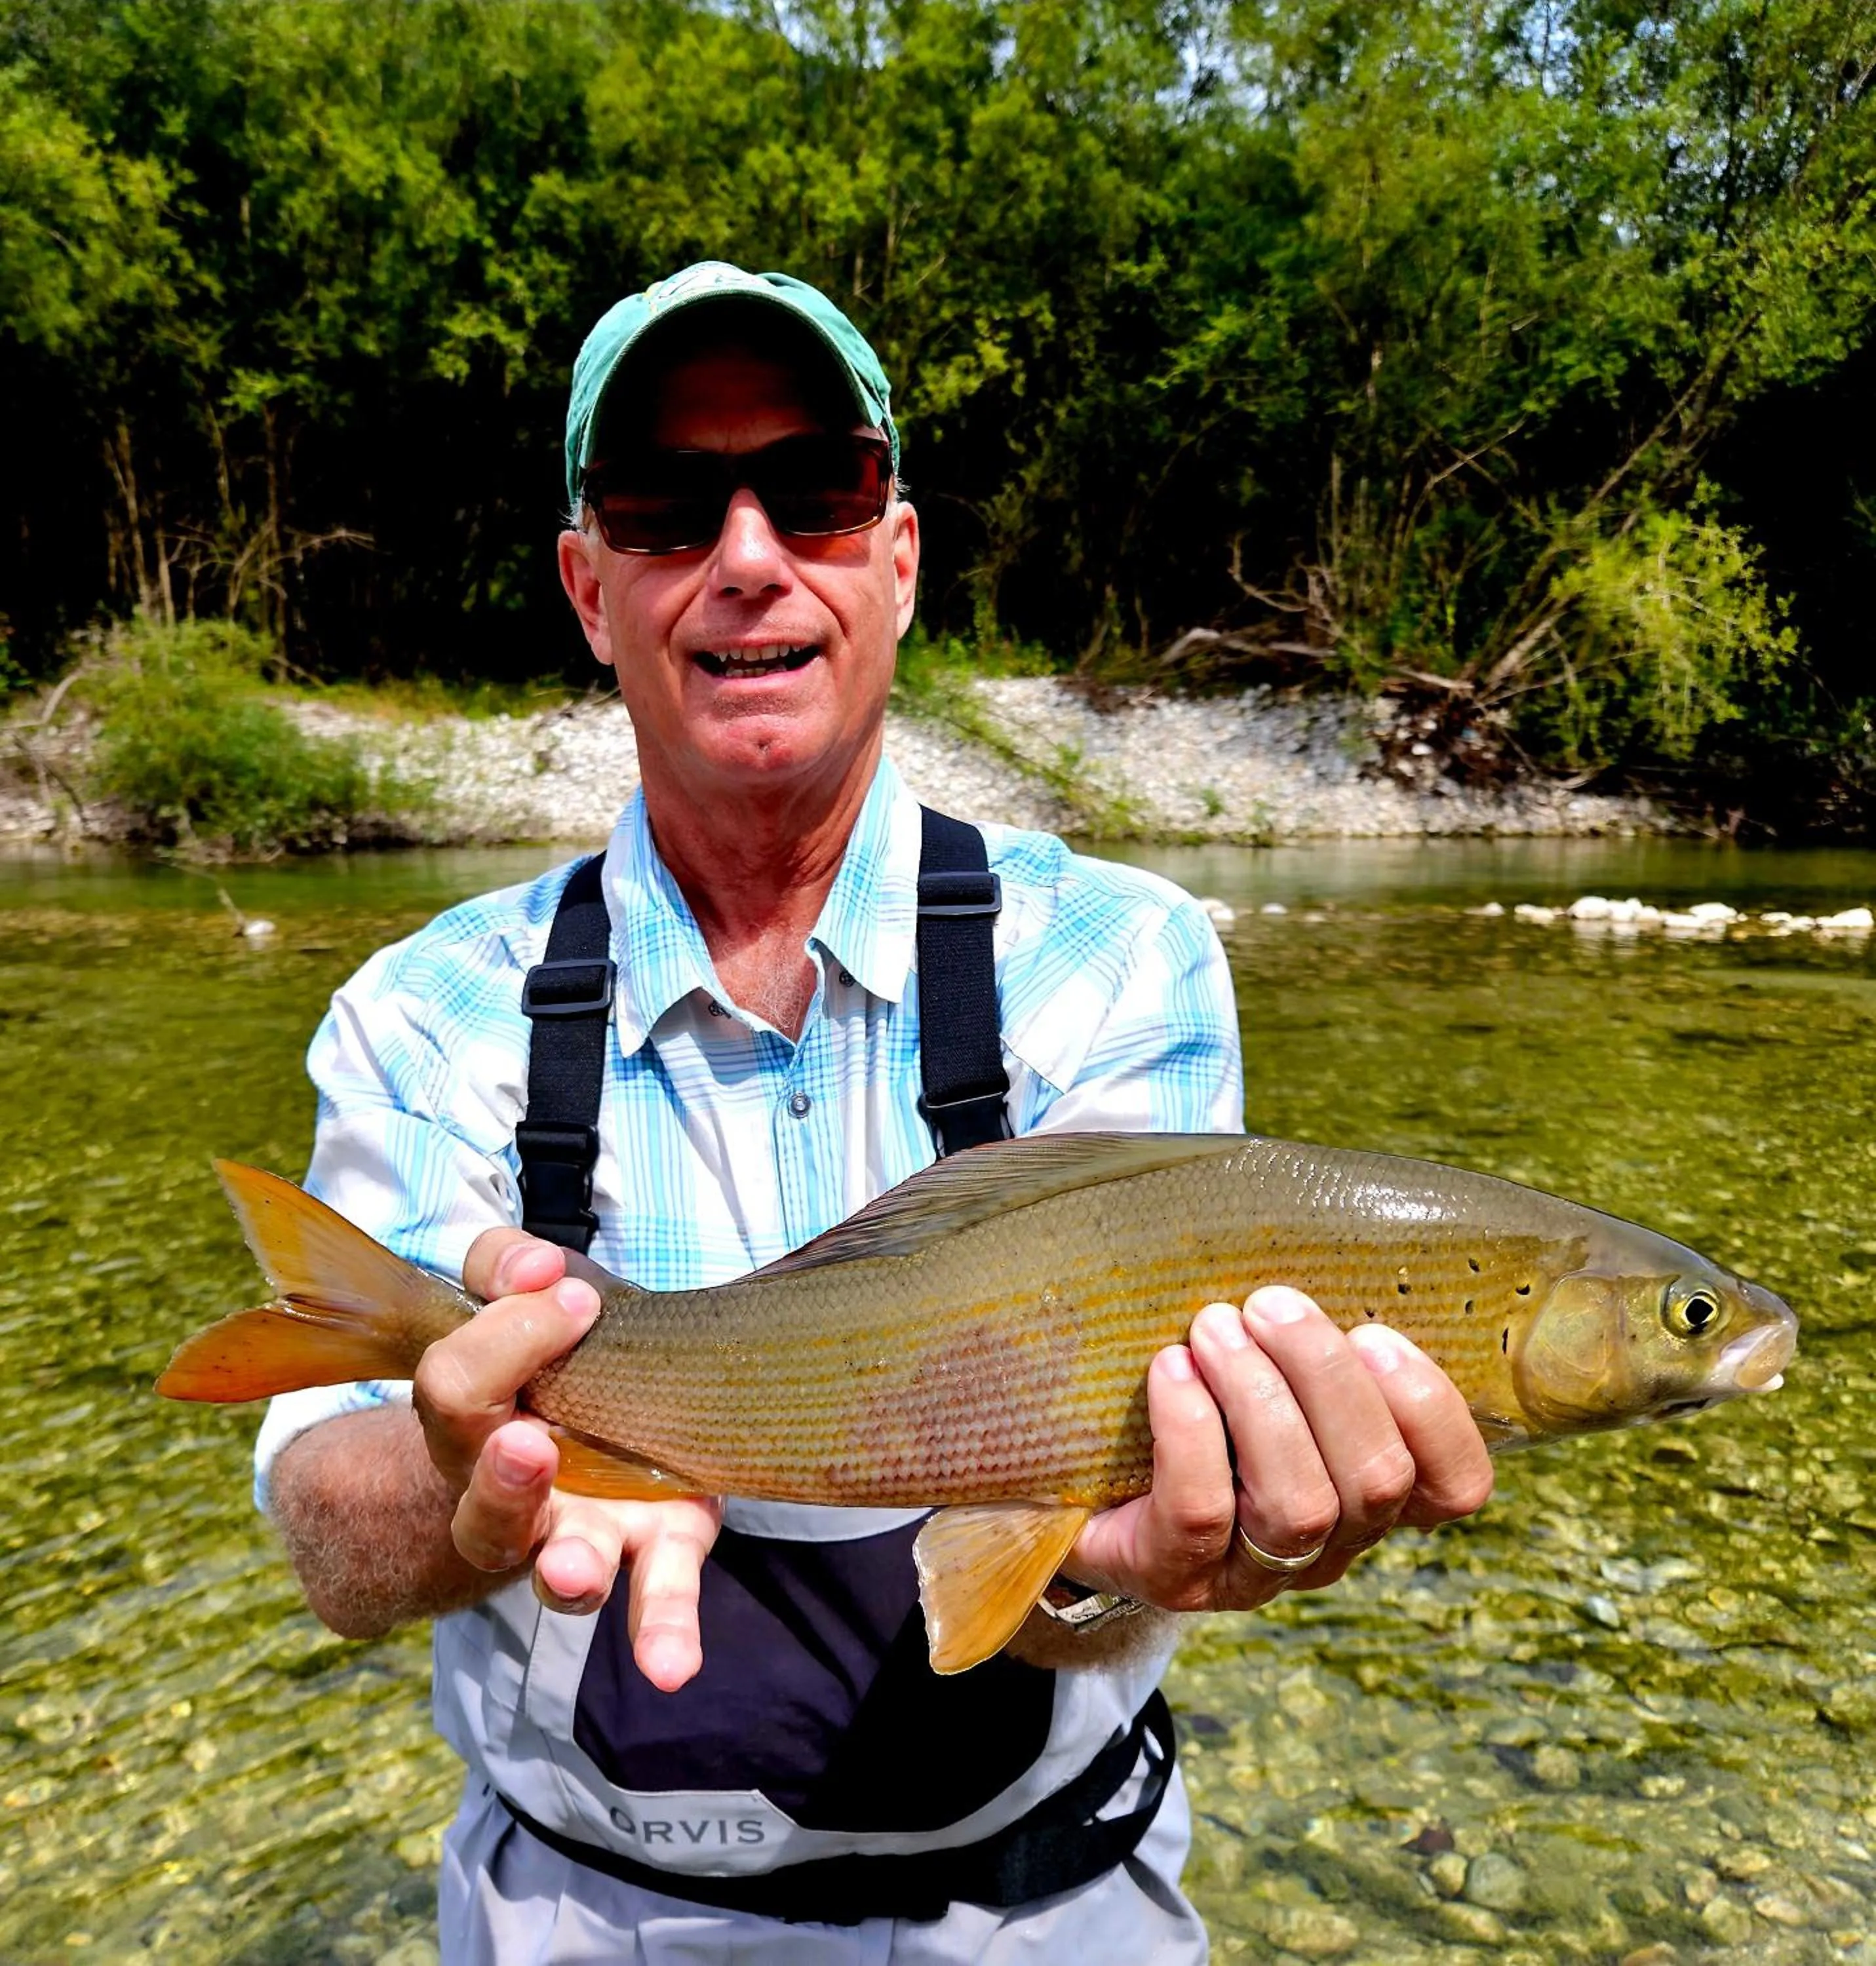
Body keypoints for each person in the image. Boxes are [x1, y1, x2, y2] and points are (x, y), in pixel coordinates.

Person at [255, 261, 1493, 1961]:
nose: (748, 555)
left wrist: (1110, 1560)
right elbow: (327, 1535)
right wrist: (482, 1474)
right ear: (588, 587)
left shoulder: (1117, 963)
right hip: (581, 1918)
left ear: (895, 561)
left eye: (816, 492)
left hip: (1041, 1909)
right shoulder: (421, 1016)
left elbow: (1083, 1577)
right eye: (666, 506)